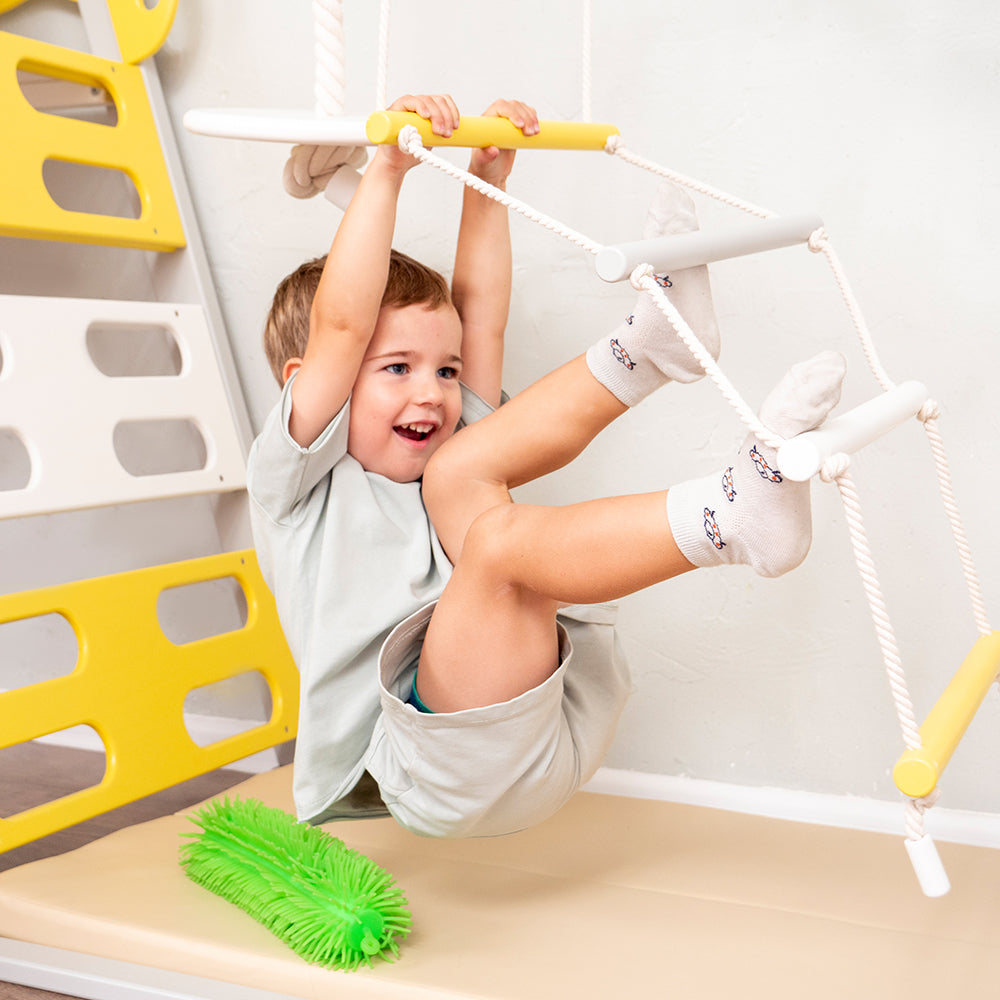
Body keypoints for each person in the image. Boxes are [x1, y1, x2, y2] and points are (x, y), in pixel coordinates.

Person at [248, 94, 846, 838]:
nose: (432, 392)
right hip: (431, 769)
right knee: (494, 538)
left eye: (444, 370)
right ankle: (726, 522)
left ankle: (652, 346)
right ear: (308, 383)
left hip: (551, 710)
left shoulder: (447, 460)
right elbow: (342, 325)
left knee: (462, 473)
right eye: (397, 367)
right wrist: (386, 174)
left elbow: (480, 310)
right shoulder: (297, 483)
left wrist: (486, 181)